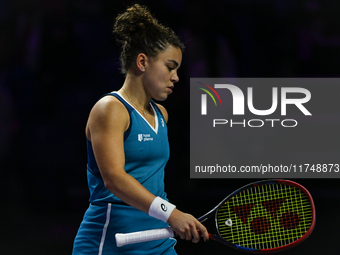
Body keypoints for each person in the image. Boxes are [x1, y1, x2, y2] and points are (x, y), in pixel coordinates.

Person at [72, 4, 208, 255]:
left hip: (158, 241)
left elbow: (152, 180)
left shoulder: (161, 114)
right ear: (143, 62)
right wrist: (171, 213)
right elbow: (114, 178)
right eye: (170, 66)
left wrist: (170, 217)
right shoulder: (110, 109)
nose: (176, 77)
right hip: (111, 242)